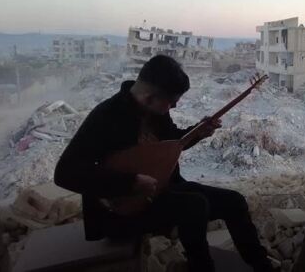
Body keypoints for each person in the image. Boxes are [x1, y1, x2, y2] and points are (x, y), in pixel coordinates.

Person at [54, 55, 273, 272]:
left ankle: (262, 267)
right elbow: (65, 173)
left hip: (162, 191)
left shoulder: (156, 112)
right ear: (150, 97)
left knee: (234, 201)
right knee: (194, 206)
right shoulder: (105, 117)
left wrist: (198, 132)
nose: (174, 107)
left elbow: (171, 145)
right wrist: (130, 183)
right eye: (171, 102)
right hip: (119, 212)